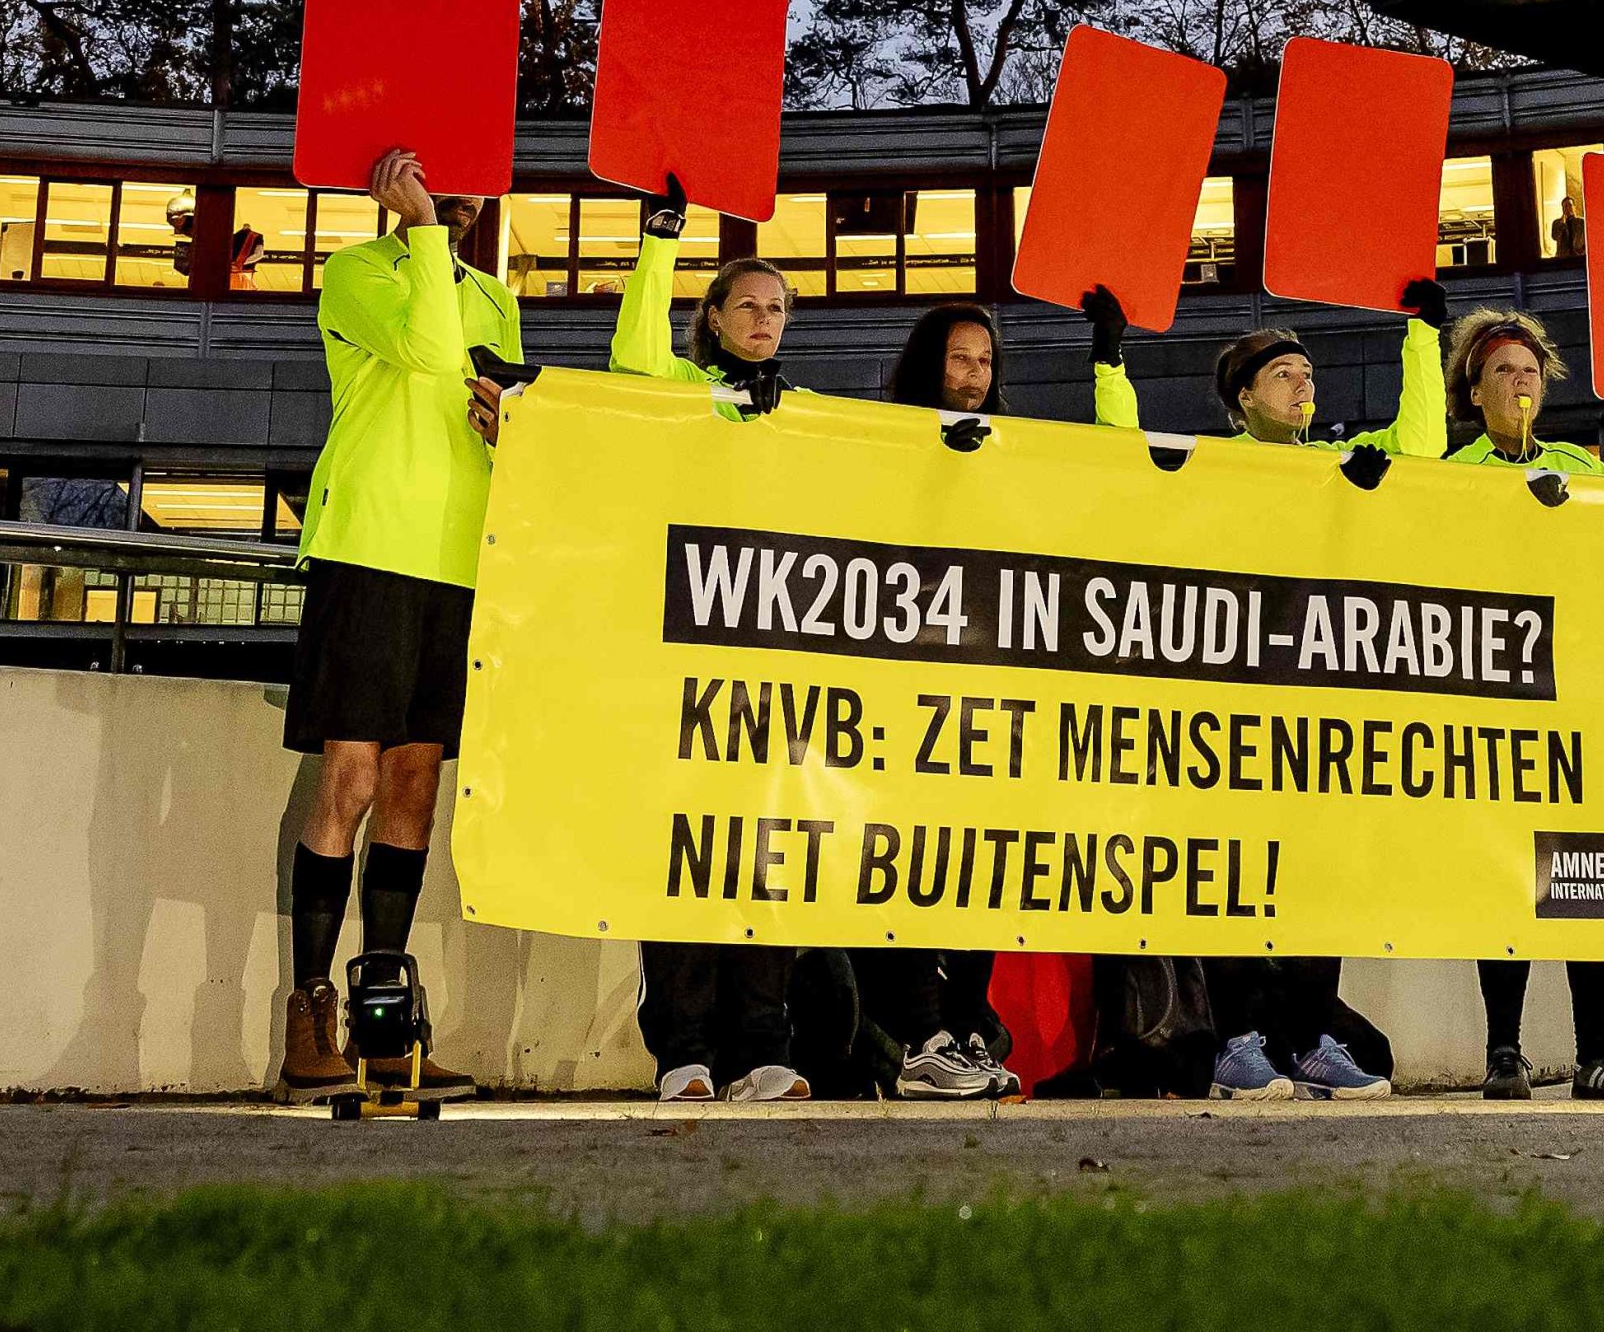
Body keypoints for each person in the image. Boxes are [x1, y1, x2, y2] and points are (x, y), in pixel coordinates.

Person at [852, 286, 1140, 1100]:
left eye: (985, 363)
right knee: (902, 864)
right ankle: (923, 1035)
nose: (974, 376)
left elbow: (1114, 471)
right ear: (926, 364)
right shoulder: (872, 442)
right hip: (902, 695)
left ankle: (964, 1024)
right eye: (960, 359)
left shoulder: (1011, 447)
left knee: (977, 866)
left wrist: (1108, 362)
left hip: (985, 701)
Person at [282, 145, 520, 1104]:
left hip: (463, 560)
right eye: (432, 174)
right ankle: (308, 1011)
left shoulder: (495, 296)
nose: (452, 194)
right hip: (371, 545)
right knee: (353, 773)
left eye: (459, 184)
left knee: (417, 784)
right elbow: (426, 350)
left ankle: (383, 1017)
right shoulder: (356, 271)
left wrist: (513, 420)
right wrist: (419, 229)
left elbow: (496, 390)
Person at [1189, 278, 1454, 1100]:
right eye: (1285, 377)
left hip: (1317, 699)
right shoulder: (1213, 467)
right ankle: (1237, 1042)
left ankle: (1310, 1040)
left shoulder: (1339, 465)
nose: (1305, 387)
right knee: (1233, 868)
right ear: (1243, 399)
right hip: (1233, 699)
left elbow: (1425, 439)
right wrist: (1108, 363)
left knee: (1319, 868)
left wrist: (1420, 334)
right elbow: (1120, 459)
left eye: (1309, 376)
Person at [1436, 305, 1604, 1102]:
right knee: (1502, 875)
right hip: (1495, 691)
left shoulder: (1577, 462)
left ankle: (1598, 1055)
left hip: (1580, 689)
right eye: (1503, 371)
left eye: (1530, 371)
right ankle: (1503, 1052)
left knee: (1588, 871)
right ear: (1473, 392)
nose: (1521, 381)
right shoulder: (1451, 472)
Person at [608, 178, 810, 1100]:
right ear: (717, 319)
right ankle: (683, 1050)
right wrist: (659, 243)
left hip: (771, 668)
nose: (765, 320)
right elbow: (633, 355)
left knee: (766, 853)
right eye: (749, 306)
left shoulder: (803, 413)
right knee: (685, 849)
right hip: (687, 658)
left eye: (777, 309)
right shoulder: (683, 390)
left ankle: (761, 1048)